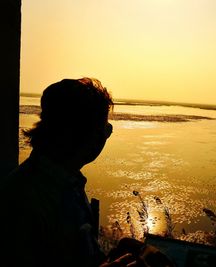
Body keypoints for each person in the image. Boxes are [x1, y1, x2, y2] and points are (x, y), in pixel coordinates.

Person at [0, 78, 173, 267]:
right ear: (80, 133)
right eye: (105, 130)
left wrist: (119, 250)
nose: (104, 138)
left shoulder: (66, 181)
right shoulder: (23, 200)